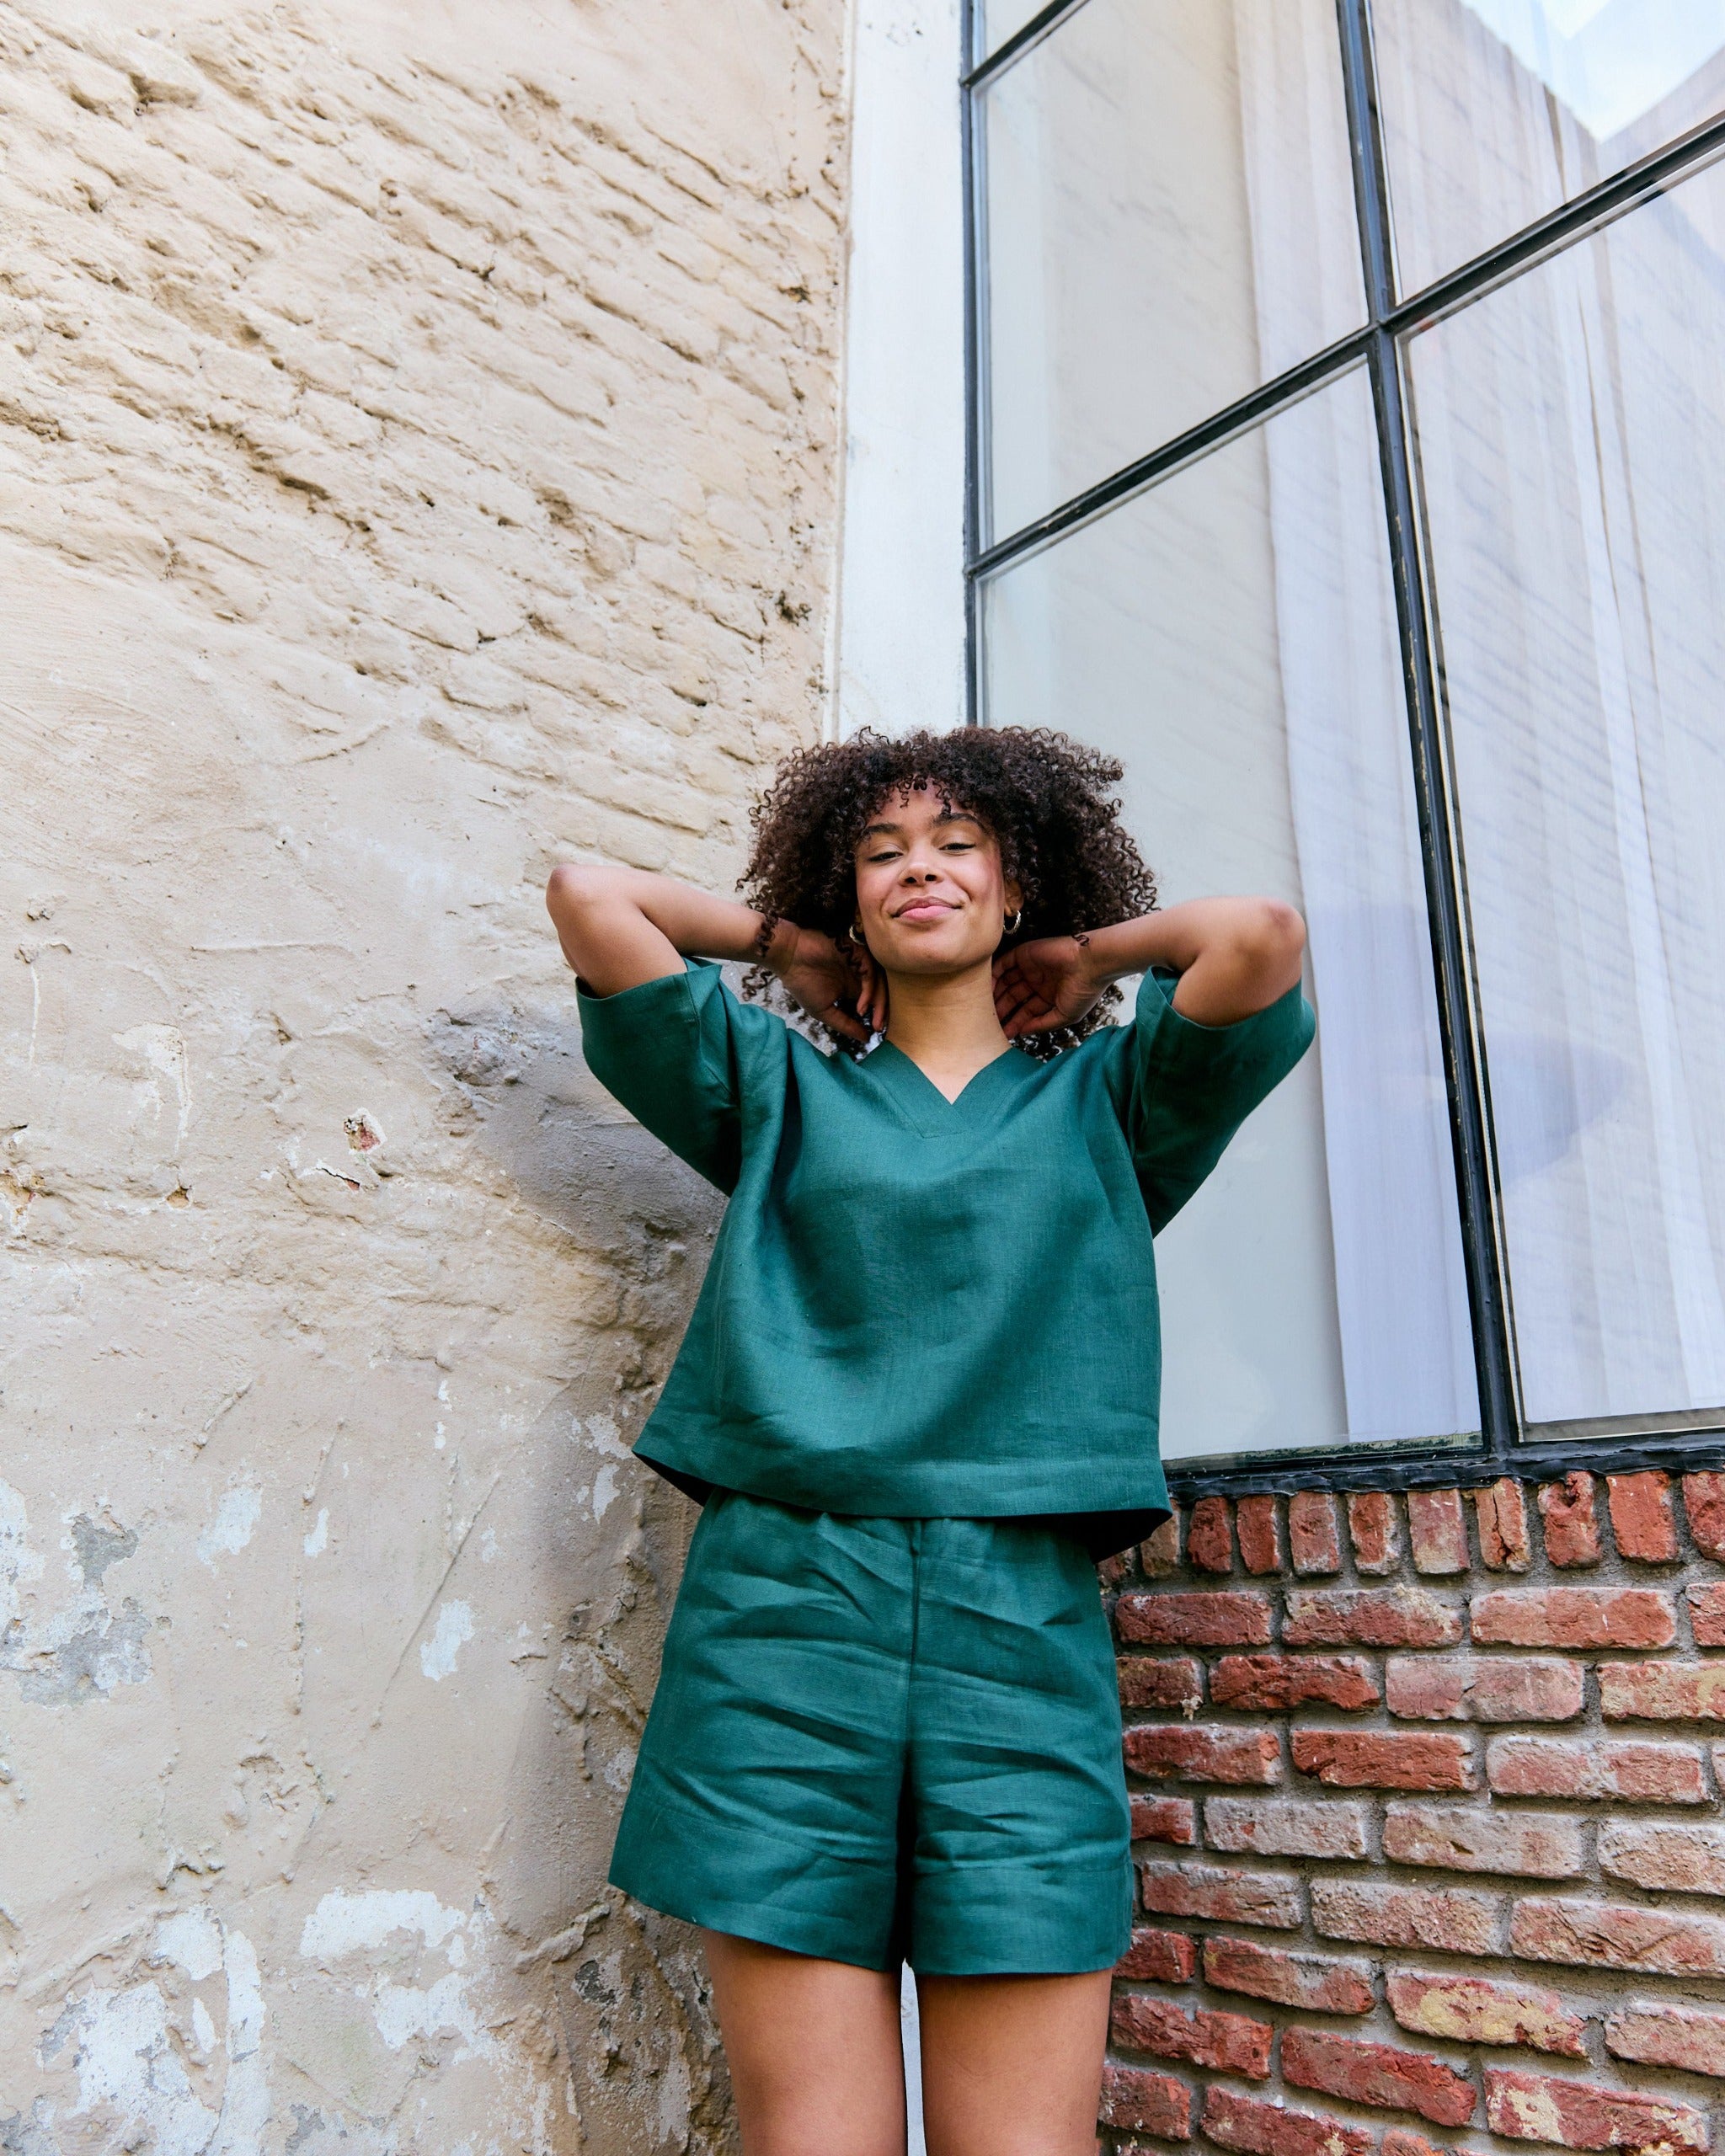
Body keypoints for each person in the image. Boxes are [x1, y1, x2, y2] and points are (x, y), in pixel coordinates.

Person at [546, 726, 1311, 2156]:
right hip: (782, 1614)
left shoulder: (1116, 1100)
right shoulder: (771, 1087)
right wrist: (796, 952)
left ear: (1019, 886)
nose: (921, 868)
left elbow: (1258, 937)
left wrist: (1087, 960)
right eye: (882, 851)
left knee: (1020, 2142)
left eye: (962, 846)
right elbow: (595, 899)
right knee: (813, 2135)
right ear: (846, 893)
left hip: (1018, 1622)